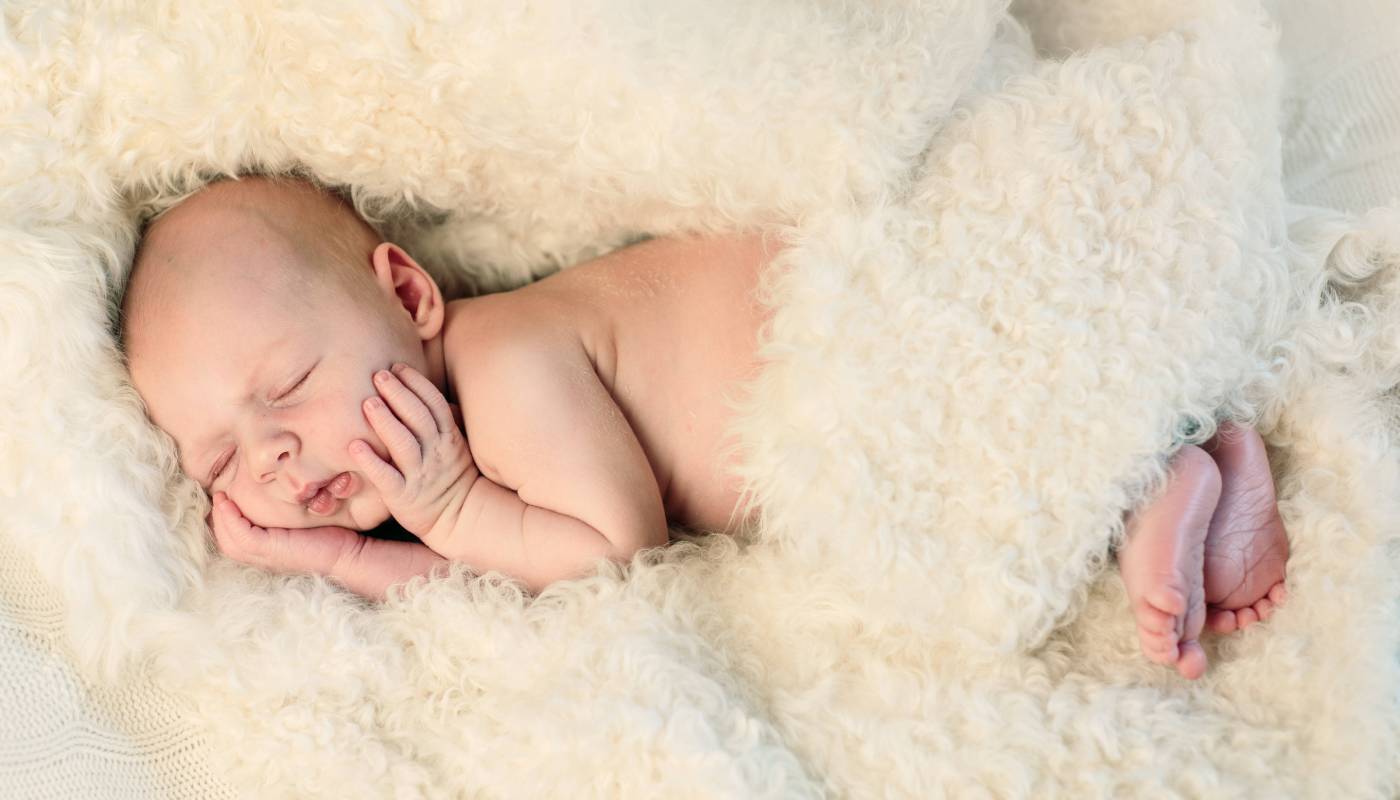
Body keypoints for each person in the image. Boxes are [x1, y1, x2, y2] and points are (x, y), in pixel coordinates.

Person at [118, 174, 1288, 680]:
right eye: (221, 455)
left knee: (961, 481)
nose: (271, 453)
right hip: (897, 346)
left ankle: (1159, 474)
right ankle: (1194, 456)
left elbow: (607, 552)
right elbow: (492, 576)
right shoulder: (444, 457)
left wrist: (448, 506)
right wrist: (337, 555)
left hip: (874, 333)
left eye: (287, 383)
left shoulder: (505, 363)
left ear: (410, 295)